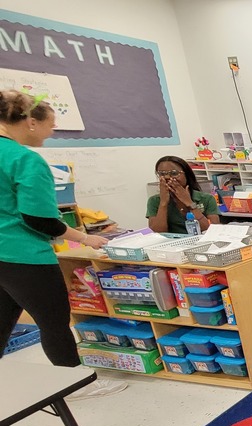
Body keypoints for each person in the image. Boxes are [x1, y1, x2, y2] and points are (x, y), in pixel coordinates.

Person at [0, 91, 117, 379]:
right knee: (54, 323)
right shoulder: (24, 159)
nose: (51, 132)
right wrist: (86, 238)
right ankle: (75, 383)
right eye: (50, 125)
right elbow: (39, 219)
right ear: (31, 122)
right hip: (24, 255)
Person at [146, 155, 220, 234]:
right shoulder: (154, 200)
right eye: (162, 174)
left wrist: (189, 203)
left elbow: (213, 231)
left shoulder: (206, 198)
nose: (167, 177)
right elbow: (157, 233)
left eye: (174, 173)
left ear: (187, 175)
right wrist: (163, 203)